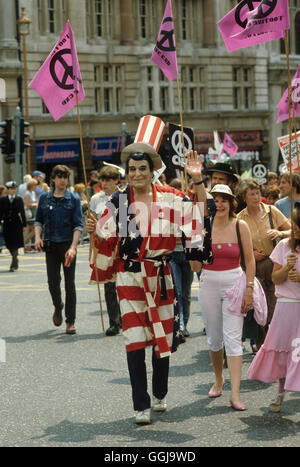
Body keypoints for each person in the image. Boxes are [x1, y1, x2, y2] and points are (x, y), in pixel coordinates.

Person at [86, 144, 212, 425]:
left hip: (160, 276)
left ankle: (159, 393)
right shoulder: (118, 201)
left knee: (161, 340)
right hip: (129, 276)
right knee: (133, 340)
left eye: (142, 169)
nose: (136, 173)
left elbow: (201, 215)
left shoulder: (170, 197)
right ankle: (140, 405)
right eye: (131, 169)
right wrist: (95, 231)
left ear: (153, 171)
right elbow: (105, 238)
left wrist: (197, 180)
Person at [193, 184, 255, 411]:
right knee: (214, 338)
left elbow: (249, 261)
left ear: (231, 203)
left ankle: (235, 393)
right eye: (215, 200)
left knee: (233, 338)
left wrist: (248, 288)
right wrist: (193, 245)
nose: (219, 204)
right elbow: (195, 267)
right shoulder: (202, 228)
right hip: (208, 282)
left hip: (234, 283)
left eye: (223, 200)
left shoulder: (241, 225)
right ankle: (218, 379)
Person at [248, 203, 300, 413]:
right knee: (283, 352)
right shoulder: (283, 246)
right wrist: (287, 268)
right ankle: (280, 392)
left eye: (299, 226)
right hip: (286, 307)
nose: (296, 229)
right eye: (295, 225)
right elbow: (275, 279)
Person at [237, 178, 291, 346]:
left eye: (258, 193)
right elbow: (235, 246)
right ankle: (261, 344)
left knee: (275, 306)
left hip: (275, 264)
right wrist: (249, 252)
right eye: (251, 194)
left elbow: (293, 231)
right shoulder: (240, 218)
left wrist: (280, 233)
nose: (256, 197)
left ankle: (273, 343)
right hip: (254, 267)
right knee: (259, 307)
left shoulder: (271, 211)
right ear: (244, 197)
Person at [34, 165, 83, 335]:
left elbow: (78, 224)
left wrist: (73, 247)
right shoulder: (44, 199)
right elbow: (38, 221)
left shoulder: (74, 199)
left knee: (70, 284)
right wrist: (37, 237)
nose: (62, 180)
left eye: (65, 177)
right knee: (53, 283)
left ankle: (70, 322)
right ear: (53, 179)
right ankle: (58, 305)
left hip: (67, 245)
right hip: (50, 245)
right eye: (59, 176)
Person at [90, 165, 122, 336]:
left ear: (116, 180)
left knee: (123, 283)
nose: (105, 183)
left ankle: (125, 317)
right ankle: (114, 322)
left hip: (121, 243)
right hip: (104, 244)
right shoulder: (96, 198)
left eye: (108, 180)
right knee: (109, 285)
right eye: (103, 180)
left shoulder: (124, 196)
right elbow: (93, 221)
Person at [0, 181, 26, 272]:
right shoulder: (3, 200)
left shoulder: (19, 199)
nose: (13, 190)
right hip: (7, 224)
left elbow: (22, 212)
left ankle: (13, 262)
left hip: (16, 224)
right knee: (9, 244)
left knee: (16, 244)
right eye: (11, 189)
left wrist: (24, 224)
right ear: (8, 190)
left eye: (14, 189)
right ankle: (15, 258)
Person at [24, 179, 38, 251]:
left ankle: (27, 245)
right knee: (32, 230)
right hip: (30, 212)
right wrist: (35, 204)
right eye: (35, 185)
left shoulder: (33, 193)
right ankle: (25, 243)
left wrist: (36, 203)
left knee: (31, 229)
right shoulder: (27, 193)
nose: (36, 186)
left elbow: (36, 201)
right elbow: (27, 204)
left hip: (34, 211)